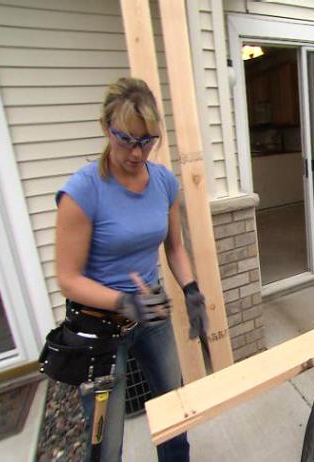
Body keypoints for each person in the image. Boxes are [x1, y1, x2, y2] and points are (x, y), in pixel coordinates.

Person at [55, 77, 206, 461]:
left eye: (147, 141)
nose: (137, 153)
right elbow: (68, 279)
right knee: (106, 443)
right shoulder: (83, 191)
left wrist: (190, 288)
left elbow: (174, 247)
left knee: (175, 413)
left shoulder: (164, 183)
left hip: (151, 312)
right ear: (106, 128)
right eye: (126, 140)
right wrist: (124, 302)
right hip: (99, 326)